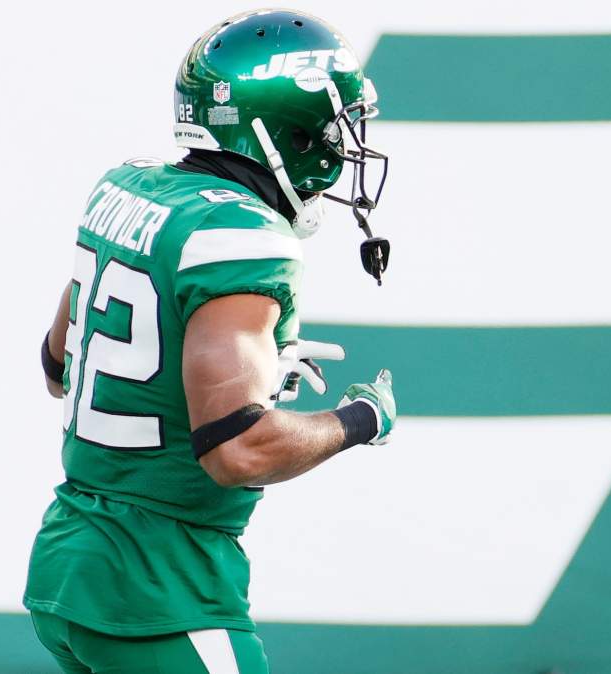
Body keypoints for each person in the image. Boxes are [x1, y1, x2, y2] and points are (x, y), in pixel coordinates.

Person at [25, 10, 398, 672]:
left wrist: (235, 362)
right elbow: (238, 450)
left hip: (69, 562)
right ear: (286, 128)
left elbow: (59, 364)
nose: (344, 148)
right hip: (161, 586)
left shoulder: (127, 188)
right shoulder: (243, 238)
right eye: (336, 126)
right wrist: (359, 420)